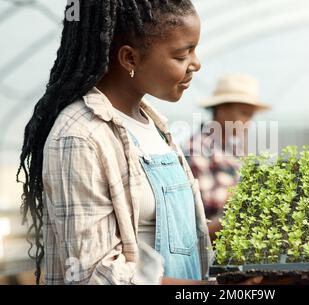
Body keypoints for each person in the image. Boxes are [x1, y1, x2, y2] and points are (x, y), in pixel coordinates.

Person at [17, 0, 262, 286]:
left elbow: (169, 234)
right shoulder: (81, 136)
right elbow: (95, 274)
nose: (196, 63)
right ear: (130, 58)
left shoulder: (154, 125)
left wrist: (238, 239)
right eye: (182, 55)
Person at [183, 74, 271, 242]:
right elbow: (206, 211)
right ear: (221, 109)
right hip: (207, 242)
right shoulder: (197, 149)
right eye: (244, 113)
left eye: (251, 116)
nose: (248, 122)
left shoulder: (234, 149)